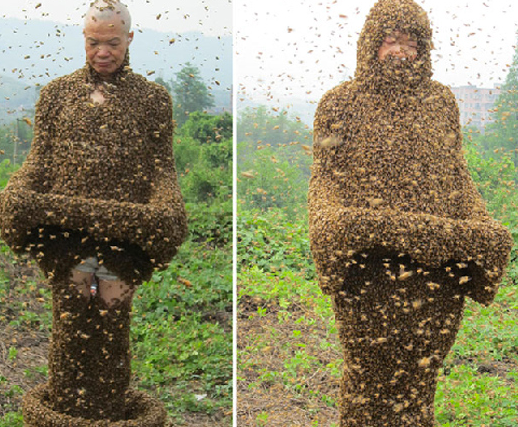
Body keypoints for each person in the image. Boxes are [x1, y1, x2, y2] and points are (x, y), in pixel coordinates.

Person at [308, 0, 512, 426]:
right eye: (390, 40)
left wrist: (484, 227)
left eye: (410, 42)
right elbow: (324, 181)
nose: (399, 50)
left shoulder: (440, 102)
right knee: (368, 378)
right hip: (370, 269)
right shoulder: (339, 103)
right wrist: (332, 223)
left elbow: (456, 175)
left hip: (438, 271)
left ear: (424, 48)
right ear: (370, 44)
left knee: (420, 379)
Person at [0, 0, 187, 423]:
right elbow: (39, 161)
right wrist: (19, 189)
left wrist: (167, 208)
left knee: (111, 317)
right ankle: (66, 409)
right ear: (84, 40)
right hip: (66, 237)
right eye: (93, 42)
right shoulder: (58, 94)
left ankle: (105, 409)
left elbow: (161, 169)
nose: (103, 52)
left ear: (130, 40)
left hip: (124, 238)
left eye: (112, 43)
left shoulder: (152, 100)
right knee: (70, 318)